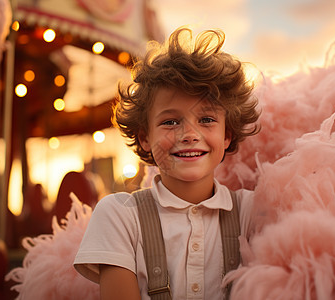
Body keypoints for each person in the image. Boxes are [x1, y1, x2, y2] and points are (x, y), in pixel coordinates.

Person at [73, 26, 260, 299]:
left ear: (227, 135)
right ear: (145, 137)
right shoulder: (120, 215)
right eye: (171, 121)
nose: (189, 135)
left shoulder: (252, 212)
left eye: (207, 120)